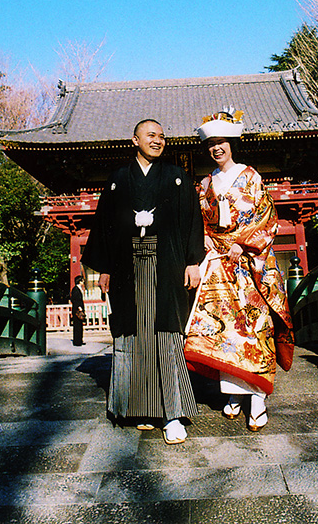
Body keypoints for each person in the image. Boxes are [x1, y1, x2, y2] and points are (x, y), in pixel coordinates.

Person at [82, 119, 203, 444]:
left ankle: (173, 415)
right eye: (151, 135)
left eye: (162, 136)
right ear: (134, 140)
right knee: (133, 332)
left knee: (165, 333)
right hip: (126, 268)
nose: (158, 140)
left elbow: (193, 220)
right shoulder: (118, 181)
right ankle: (142, 408)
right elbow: (105, 227)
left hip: (167, 265)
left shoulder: (177, 177)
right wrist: (104, 267)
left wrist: (193, 261)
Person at [184, 108, 294, 431]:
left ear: (232, 143)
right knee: (225, 332)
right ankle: (233, 394)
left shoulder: (252, 177)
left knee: (255, 329)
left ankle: (257, 400)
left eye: (222, 142)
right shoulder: (204, 185)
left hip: (250, 267)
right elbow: (198, 223)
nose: (217, 148)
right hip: (219, 266)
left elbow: (266, 218)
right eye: (211, 144)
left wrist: (243, 244)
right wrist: (205, 239)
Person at [70, 275, 86, 346]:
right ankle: (77, 341)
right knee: (77, 325)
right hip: (77, 310)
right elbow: (75, 299)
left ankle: (80, 340)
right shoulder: (75, 289)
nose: (83, 282)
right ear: (79, 281)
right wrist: (79, 307)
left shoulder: (79, 289)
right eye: (82, 280)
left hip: (79, 308)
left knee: (80, 325)